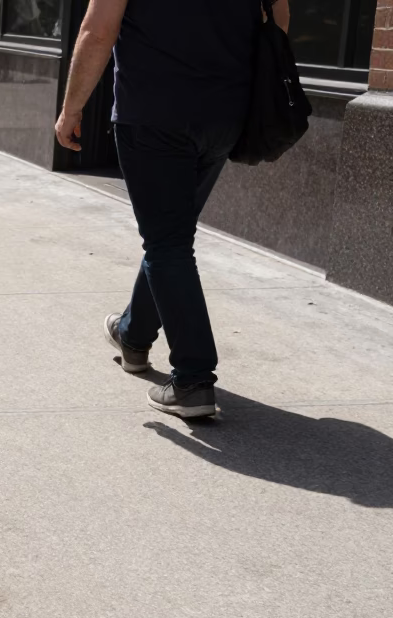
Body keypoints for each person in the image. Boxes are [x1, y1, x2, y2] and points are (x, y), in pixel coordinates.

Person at [55, 0, 290, 417]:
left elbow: (98, 30)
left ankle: (193, 381)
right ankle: (133, 336)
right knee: (171, 237)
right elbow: (279, 17)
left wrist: (71, 109)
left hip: (154, 115)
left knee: (168, 244)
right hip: (224, 115)